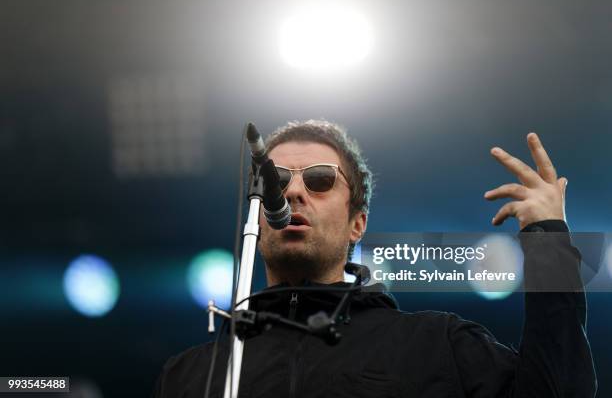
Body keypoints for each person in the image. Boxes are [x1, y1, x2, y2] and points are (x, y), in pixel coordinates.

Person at [152, 120, 597, 398]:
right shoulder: (191, 375)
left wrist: (548, 242)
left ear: (357, 224)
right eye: (276, 180)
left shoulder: (436, 345)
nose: (291, 191)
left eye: (321, 180)